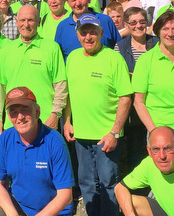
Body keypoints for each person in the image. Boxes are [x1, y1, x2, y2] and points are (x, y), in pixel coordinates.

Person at [63, 14, 132, 216]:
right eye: (84, 33)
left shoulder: (113, 58)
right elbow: (68, 94)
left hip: (106, 136)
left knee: (108, 183)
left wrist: (115, 132)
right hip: (81, 136)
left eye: (93, 32)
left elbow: (125, 98)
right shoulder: (73, 58)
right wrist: (67, 121)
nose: (88, 37)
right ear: (78, 35)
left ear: (101, 33)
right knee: (86, 184)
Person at [0, 86, 74, 216]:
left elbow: (65, 195)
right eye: (14, 112)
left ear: (37, 112)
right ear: (8, 116)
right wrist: (12, 213)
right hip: (18, 207)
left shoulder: (55, 141)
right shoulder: (5, 139)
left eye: (25, 110)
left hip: (52, 212)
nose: (20, 117)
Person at [132, 11, 174, 161]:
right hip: (158, 130)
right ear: (158, 31)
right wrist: (154, 131)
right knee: (162, 177)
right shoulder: (145, 60)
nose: (170, 33)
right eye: (165, 29)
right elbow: (138, 102)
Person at [0, 5, 67, 134]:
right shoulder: (6, 51)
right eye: (22, 20)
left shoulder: (52, 48)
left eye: (30, 20)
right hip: (13, 123)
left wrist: (55, 114)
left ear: (38, 22)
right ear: (16, 22)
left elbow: (61, 85)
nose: (26, 25)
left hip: (45, 123)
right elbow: (0, 88)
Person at [115, 7, 159, 171]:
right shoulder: (120, 47)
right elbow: (118, 74)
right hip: (131, 107)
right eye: (133, 22)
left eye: (142, 21)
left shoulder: (156, 43)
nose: (138, 25)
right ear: (126, 24)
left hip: (154, 103)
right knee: (134, 150)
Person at [55, 0, 120, 60]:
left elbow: (120, 50)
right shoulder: (62, 27)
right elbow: (58, 58)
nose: (78, 3)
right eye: (73, 0)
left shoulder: (105, 21)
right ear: (68, 2)